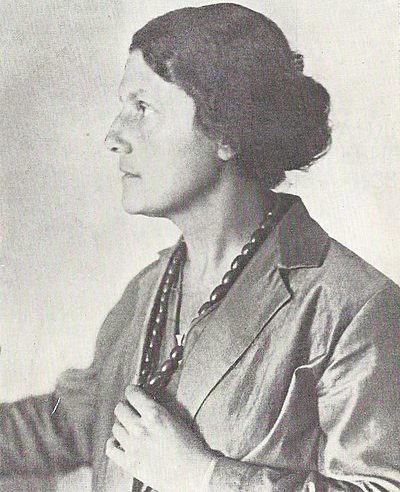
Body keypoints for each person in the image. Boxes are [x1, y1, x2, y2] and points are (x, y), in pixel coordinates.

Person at [1, 4, 399, 491]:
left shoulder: (353, 307)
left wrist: (202, 475)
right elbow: (70, 425)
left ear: (226, 131)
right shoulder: (149, 289)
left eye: (142, 108)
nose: (113, 136)